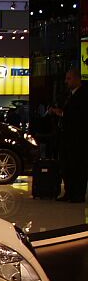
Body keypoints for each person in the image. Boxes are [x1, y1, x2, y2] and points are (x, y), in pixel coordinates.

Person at [51, 67, 88, 202]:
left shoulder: (83, 95)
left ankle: (78, 194)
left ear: (77, 79)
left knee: (77, 166)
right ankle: (69, 192)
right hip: (67, 138)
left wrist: (62, 113)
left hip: (78, 139)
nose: (66, 81)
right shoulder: (70, 96)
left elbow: (80, 116)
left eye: (69, 78)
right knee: (67, 166)